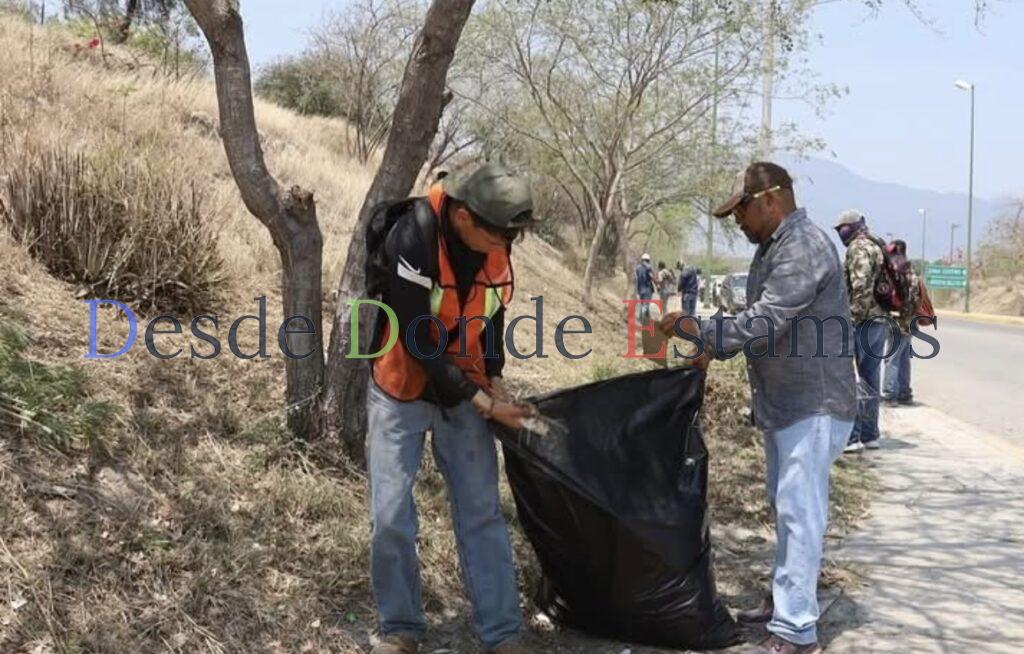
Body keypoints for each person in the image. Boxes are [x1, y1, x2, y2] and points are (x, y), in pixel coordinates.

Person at [660, 162, 856, 654]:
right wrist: (708, 342)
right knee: (786, 505)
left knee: (799, 513)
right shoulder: (778, 246)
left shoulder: (803, 246)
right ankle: (785, 601)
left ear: (771, 201)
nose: (739, 223)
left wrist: (694, 329)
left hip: (813, 404)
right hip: (787, 404)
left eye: (742, 212)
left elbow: (764, 322)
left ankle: (796, 630)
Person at [367, 163, 536, 654]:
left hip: (466, 382)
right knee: (391, 513)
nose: (506, 244)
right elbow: (419, 338)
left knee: (482, 511)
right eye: (500, 234)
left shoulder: (495, 245)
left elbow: (492, 312)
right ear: (464, 218)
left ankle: (502, 633)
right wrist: (482, 401)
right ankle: (401, 627)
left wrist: (497, 382)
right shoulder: (413, 237)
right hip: (402, 384)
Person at [834, 210, 888, 452]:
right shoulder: (878, 245)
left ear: (852, 227)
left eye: (842, 228)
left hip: (863, 321)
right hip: (878, 320)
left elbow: (862, 286)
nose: (840, 233)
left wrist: (852, 318)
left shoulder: (858, 248)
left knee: (852, 378)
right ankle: (869, 434)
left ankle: (854, 436)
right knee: (870, 378)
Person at [882, 239, 919, 406]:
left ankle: (890, 395)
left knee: (892, 358)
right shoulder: (912, 271)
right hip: (910, 321)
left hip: (898, 321)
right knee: (904, 358)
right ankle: (905, 393)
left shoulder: (897, 272)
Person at [635, 253, 656, 322]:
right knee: (646, 304)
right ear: (648, 260)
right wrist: (656, 281)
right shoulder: (648, 267)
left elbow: (636, 279)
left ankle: (647, 318)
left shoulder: (637, 268)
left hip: (640, 288)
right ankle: (641, 318)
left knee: (642, 303)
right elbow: (652, 277)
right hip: (647, 288)